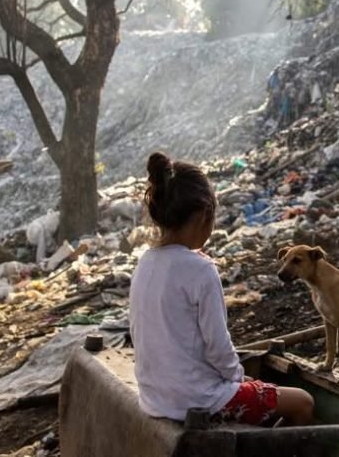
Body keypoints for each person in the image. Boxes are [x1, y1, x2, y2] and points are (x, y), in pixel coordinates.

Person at [129, 152, 314, 426]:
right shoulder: (201, 269)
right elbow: (217, 346)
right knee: (302, 402)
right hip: (197, 400)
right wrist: (238, 378)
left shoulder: (145, 263)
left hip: (155, 398)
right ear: (205, 213)